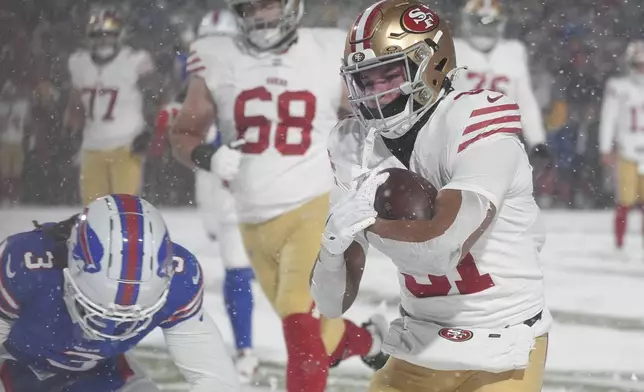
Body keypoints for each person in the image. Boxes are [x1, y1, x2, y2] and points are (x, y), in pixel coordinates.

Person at [310, 1, 550, 391]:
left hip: (504, 340)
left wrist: (364, 226)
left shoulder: (473, 122)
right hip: (420, 339)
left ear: (431, 65)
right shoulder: (354, 144)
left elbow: (443, 247)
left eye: (387, 76)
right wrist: (332, 246)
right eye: (363, 81)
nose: (374, 95)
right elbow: (332, 303)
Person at [169, 0, 388, 390]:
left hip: (313, 204)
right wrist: (208, 155)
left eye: (268, 6)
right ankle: (373, 340)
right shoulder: (218, 56)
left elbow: (369, 115)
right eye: (251, 7)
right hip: (252, 217)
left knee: (296, 320)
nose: (261, 16)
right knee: (320, 339)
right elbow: (184, 134)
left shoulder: (326, 51)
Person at [0, 194, 239, 391]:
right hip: (16, 365)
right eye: (96, 310)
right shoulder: (24, 266)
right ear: (72, 269)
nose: (111, 327)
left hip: (101, 374)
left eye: (133, 317)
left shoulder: (180, 280)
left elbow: (216, 381)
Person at [157, 8, 259, 381]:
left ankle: (245, 349)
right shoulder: (202, 73)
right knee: (227, 243)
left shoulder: (248, 70)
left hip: (240, 176)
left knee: (237, 264)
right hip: (209, 176)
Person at [63, 6, 162, 205]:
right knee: (92, 213)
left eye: (108, 34)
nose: (103, 40)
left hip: (126, 145)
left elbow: (155, 97)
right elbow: (76, 103)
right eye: (98, 34)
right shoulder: (79, 63)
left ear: (119, 35)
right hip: (91, 146)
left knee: (125, 210)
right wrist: (71, 128)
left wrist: (150, 130)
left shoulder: (133, 60)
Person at [453, 0, 548, 161]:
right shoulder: (455, 48)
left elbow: (525, 100)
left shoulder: (513, 51)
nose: (484, 29)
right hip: (459, 139)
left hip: (502, 141)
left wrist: (537, 140)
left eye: (490, 23)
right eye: (479, 22)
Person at [600, 40, 644, 253]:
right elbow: (609, 118)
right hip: (627, 149)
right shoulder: (619, 87)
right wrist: (605, 147)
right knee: (624, 201)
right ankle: (619, 244)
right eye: (639, 64)